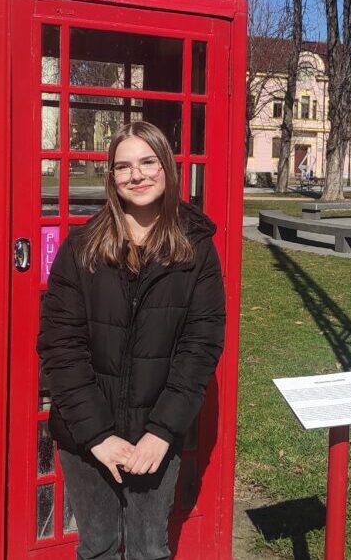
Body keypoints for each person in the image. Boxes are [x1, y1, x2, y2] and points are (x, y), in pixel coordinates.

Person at [37, 121, 225, 560]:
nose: (136, 175)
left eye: (147, 162)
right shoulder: (81, 246)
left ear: (167, 168)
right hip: (86, 436)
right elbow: (59, 345)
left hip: (153, 437)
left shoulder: (196, 249)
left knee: (148, 550)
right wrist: (97, 435)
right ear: (111, 177)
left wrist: (161, 432)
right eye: (123, 166)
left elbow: (200, 347)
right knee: (97, 547)